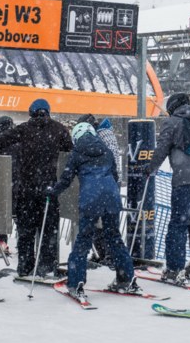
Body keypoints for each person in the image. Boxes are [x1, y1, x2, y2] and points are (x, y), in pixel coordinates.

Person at [0, 99, 72, 278]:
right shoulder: (59, 129)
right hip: (49, 191)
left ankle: (25, 267)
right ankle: (46, 267)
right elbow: (70, 152)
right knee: (48, 232)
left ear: (31, 112)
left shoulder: (23, 129)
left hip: (27, 190)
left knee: (26, 233)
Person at [46, 123, 139, 300]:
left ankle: (76, 282)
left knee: (83, 240)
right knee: (114, 237)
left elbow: (66, 179)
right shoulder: (106, 150)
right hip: (111, 197)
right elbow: (115, 175)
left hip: (90, 199)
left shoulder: (77, 152)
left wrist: (53, 191)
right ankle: (126, 277)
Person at [145, 93, 190, 286]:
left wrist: (150, 168)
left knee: (178, 223)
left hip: (184, 179)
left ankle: (174, 269)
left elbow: (162, 148)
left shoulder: (172, 122)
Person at [76, 114, 121, 266]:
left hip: (102, 184)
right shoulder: (105, 135)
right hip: (109, 184)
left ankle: (107, 255)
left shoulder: (100, 138)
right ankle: (105, 254)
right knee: (103, 223)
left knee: (100, 223)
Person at [0, 116, 17, 256]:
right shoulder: (19, 141)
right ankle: (25, 243)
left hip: (1, 184)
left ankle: (1, 242)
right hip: (18, 184)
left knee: (1, 214)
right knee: (19, 216)